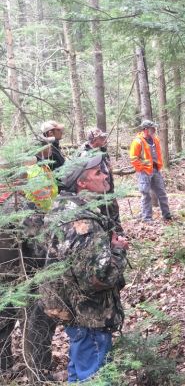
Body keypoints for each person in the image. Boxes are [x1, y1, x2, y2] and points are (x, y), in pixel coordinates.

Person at [37, 154, 128, 382]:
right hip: (89, 315)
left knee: (79, 369)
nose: (105, 175)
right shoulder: (82, 223)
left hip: (71, 309)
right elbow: (99, 277)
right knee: (94, 374)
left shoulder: (61, 207)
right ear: (82, 183)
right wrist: (118, 250)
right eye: (98, 173)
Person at [0, 156, 55, 381]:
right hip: (23, 273)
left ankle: (4, 368)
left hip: (5, 273)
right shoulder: (19, 205)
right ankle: (38, 370)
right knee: (35, 319)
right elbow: (37, 242)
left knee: (3, 319)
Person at [79, 128, 123, 234]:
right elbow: (84, 175)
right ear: (94, 139)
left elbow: (107, 167)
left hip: (108, 189)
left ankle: (118, 234)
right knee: (100, 215)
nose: (104, 139)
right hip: (95, 192)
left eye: (104, 136)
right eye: (101, 137)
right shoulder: (85, 154)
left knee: (113, 211)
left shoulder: (103, 150)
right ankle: (105, 237)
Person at [129, 120, 172, 223]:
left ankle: (167, 215)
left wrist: (158, 166)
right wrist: (142, 168)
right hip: (144, 172)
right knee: (146, 194)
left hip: (156, 170)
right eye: (152, 128)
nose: (154, 130)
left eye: (154, 128)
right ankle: (147, 218)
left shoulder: (155, 140)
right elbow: (133, 159)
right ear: (145, 129)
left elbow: (158, 154)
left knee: (162, 192)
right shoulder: (137, 141)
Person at [26, 140, 59, 211]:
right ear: (41, 149)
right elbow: (41, 195)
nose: (51, 147)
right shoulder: (35, 170)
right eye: (47, 145)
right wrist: (50, 209)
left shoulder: (43, 165)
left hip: (47, 207)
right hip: (41, 210)